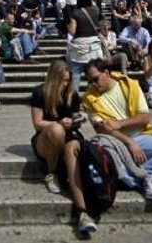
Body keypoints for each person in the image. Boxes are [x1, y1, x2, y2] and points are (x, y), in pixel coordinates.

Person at [81, 59, 152, 201]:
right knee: (118, 173)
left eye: (95, 79)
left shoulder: (130, 85)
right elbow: (103, 130)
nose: (93, 84)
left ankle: (148, 178)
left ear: (106, 73)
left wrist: (120, 124)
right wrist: (129, 142)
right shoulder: (89, 98)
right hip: (115, 143)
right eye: (89, 81)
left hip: (140, 136)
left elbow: (144, 118)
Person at [30, 59, 95, 234]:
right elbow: (37, 124)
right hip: (45, 138)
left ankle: (83, 210)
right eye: (63, 80)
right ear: (53, 79)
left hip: (67, 136)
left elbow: (74, 119)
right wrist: (58, 122)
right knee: (57, 130)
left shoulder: (71, 94)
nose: (66, 84)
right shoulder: (39, 92)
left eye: (68, 80)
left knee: (72, 145)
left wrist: (77, 120)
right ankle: (52, 173)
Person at [66, 0, 105, 91]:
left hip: (80, 47)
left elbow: (72, 31)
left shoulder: (76, 12)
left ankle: (74, 101)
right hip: (94, 47)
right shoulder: (96, 10)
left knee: (76, 76)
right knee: (95, 76)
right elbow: (103, 27)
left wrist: (67, 25)